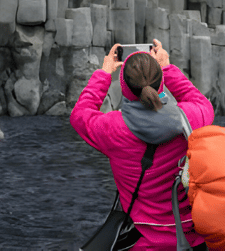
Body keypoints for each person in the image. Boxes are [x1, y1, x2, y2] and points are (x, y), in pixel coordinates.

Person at [70, 39, 215, 250]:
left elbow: (80, 114)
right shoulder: (189, 118)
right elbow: (202, 103)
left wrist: (104, 73)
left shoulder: (112, 129)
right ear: (161, 82)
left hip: (144, 242)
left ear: (124, 88)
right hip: (191, 239)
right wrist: (167, 67)